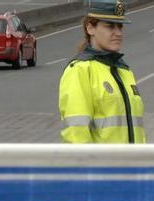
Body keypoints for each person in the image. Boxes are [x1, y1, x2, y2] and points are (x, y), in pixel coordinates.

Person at [58, 1, 145, 144]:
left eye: (120, 26)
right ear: (90, 28)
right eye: (110, 26)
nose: (118, 33)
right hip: (102, 166)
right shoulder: (80, 70)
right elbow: (76, 136)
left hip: (134, 165)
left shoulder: (124, 71)